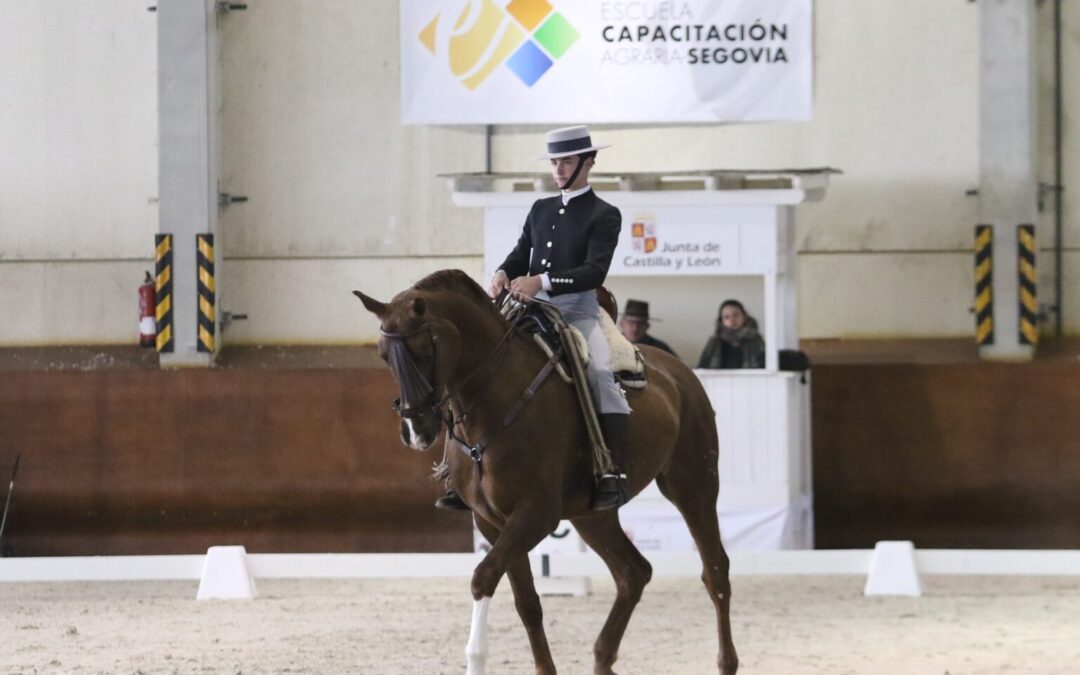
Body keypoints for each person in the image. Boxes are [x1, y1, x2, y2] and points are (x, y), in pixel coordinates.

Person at [436, 125, 631, 512]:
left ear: (588, 163)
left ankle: (611, 470)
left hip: (578, 309)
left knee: (600, 375)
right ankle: (456, 469)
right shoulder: (541, 209)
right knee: (475, 361)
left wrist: (540, 280)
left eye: (567, 162)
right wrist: (502, 272)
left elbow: (594, 271)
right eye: (555, 162)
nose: (559, 169)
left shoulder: (604, 214)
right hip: (527, 306)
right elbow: (520, 253)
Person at [696, 299, 766, 369]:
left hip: (751, 376)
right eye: (726, 317)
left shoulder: (756, 339)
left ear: (744, 316)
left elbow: (765, 367)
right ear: (721, 321)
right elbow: (701, 368)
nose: (732, 320)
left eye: (736, 315)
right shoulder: (714, 342)